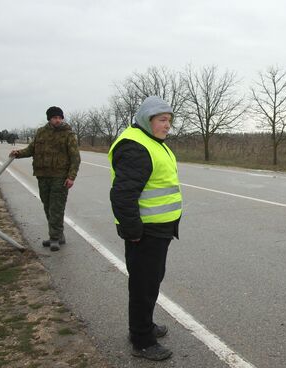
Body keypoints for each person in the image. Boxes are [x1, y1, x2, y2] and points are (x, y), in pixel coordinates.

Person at [108, 96, 182, 361]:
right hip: (145, 232)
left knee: (151, 282)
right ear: (146, 119)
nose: (167, 126)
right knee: (143, 285)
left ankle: (145, 326)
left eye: (169, 121)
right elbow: (123, 195)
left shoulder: (152, 142)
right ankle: (141, 341)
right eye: (162, 120)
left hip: (158, 230)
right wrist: (133, 231)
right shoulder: (135, 147)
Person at [10, 106, 80, 251]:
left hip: (60, 176)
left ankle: (54, 238)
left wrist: (71, 177)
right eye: (55, 117)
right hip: (43, 176)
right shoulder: (41, 132)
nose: (58, 120)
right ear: (49, 118)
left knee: (56, 207)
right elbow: (31, 149)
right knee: (47, 206)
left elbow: (75, 158)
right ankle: (59, 235)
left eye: (60, 118)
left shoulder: (68, 134)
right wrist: (18, 153)